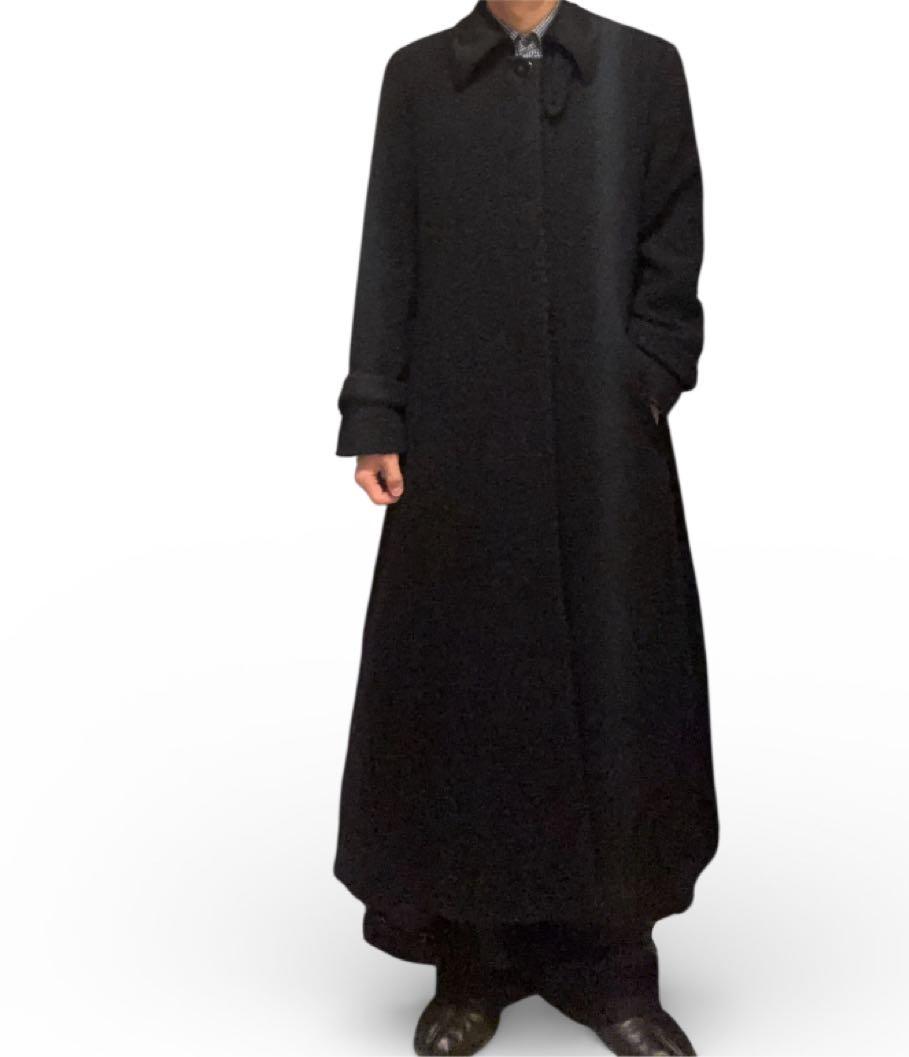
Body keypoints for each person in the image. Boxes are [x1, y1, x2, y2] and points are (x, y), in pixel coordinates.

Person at [333, 2, 718, 1053]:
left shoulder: (643, 68)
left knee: (619, 688)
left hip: (607, 454)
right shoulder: (419, 77)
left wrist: (644, 379)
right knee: (470, 687)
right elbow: (389, 244)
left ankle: (614, 970)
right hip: (460, 444)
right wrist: (377, 410)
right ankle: (474, 962)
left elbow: (673, 239)